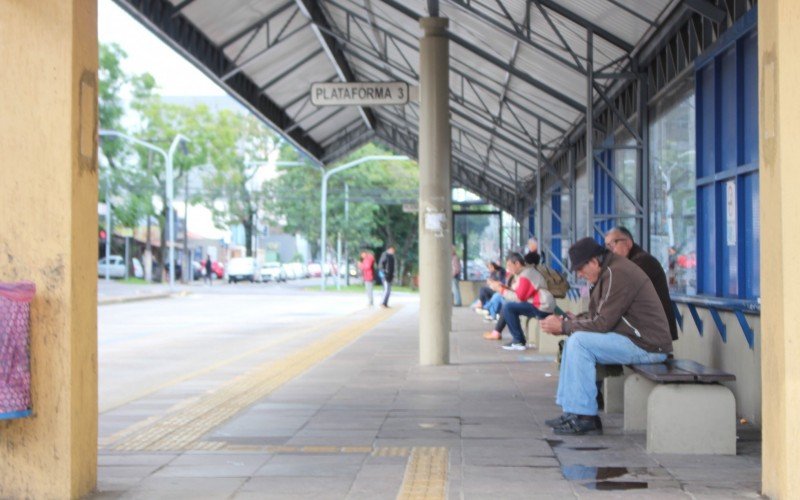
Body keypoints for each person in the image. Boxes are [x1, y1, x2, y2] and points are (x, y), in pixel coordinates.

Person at [540, 237, 673, 435]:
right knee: (574, 340)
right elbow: (599, 315)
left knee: (578, 342)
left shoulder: (616, 273)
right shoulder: (608, 272)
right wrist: (574, 320)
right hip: (634, 339)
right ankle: (572, 411)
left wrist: (565, 326)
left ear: (594, 262)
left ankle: (586, 417)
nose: (579, 274)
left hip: (648, 345)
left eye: (580, 269)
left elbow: (602, 323)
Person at [604, 227, 678, 340]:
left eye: (613, 243)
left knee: (581, 342)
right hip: (640, 332)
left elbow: (617, 298)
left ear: (628, 243)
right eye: (607, 246)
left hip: (652, 335)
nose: (610, 250)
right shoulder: (627, 264)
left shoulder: (642, 263)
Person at [489, 252, 555, 350]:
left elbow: (519, 297)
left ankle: (518, 340)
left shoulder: (526, 274)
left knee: (508, 307)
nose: (508, 268)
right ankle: (511, 337)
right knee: (507, 305)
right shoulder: (524, 273)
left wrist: (500, 290)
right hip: (539, 304)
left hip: (541, 306)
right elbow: (517, 290)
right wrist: (501, 287)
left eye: (509, 265)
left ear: (517, 264)